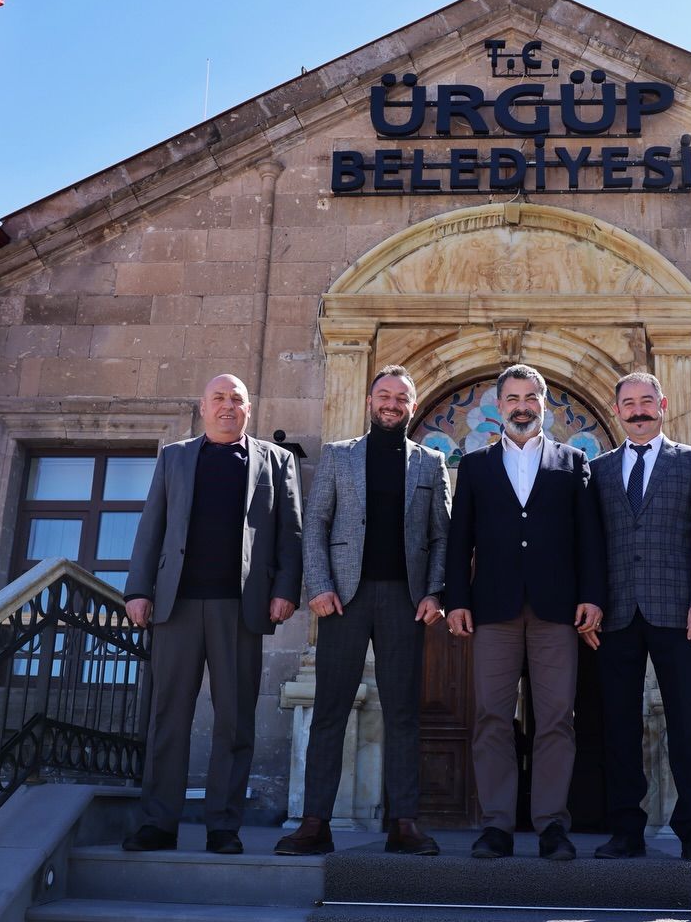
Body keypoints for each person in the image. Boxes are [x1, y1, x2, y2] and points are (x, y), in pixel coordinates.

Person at [121, 373, 303, 855]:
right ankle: (158, 823)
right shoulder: (174, 457)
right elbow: (151, 526)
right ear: (202, 407)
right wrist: (137, 589)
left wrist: (286, 590)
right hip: (176, 605)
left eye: (236, 399)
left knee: (235, 721)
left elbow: (291, 532)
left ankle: (223, 826)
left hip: (240, 608)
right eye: (218, 398)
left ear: (249, 409)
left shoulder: (276, 461)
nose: (227, 406)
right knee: (168, 716)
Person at [274, 365, 450, 857]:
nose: (392, 404)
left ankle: (404, 825)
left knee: (403, 713)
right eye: (384, 396)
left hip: (405, 602)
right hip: (343, 601)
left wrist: (435, 592)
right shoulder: (339, 455)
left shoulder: (431, 462)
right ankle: (315, 823)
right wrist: (319, 586)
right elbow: (316, 524)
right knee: (329, 710)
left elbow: (442, 536)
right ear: (370, 402)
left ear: (412, 406)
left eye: (401, 398)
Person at [445, 363, 605, 861]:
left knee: (556, 718)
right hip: (493, 610)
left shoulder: (573, 461)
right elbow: (459, 540)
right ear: (499, 406)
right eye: (512, 398)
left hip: (556, 610)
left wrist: (592, 595)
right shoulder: (476, 466)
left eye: (530, 398)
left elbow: (589, 538)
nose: (521, 407)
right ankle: (497, 825)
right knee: (492, 717)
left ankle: (552, 825)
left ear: (544, 403)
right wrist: (456, 599)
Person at [589, 372, 691, 866]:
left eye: (647, 401)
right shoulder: (599, 470)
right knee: (619, 729)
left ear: (663, 405)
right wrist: (591, 603)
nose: (639, 410)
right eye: (629, 403)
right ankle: (626, 831)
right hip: (616, 617)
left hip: (681, 614)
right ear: (617, 410)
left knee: (688, 726)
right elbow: (590, 544)